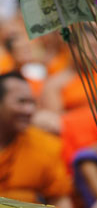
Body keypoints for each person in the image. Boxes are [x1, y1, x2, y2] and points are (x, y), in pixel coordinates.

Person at [0, 71, 73, 206]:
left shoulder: (45, 145)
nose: (29, 110)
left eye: (32, 103)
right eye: (21, 102)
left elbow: (60, 199)